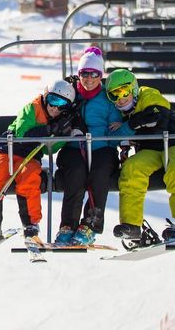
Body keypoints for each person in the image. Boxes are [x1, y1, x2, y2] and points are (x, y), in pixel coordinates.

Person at [0, 79, 77, 243]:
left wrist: (62, 136)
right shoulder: (32, 108)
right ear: (45, 96)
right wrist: (48, 130)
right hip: (8, 150)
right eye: (53, 100)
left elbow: (47, 150)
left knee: (29, 177)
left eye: (62, 105)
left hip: (30, 156)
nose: (55, 108)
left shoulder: (58, 121)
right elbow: (23, 134)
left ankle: (30, 224)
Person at [106, 69, 175, 243]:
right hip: (150, 150)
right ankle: (132, 226)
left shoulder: (146, 94)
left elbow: (157, 115)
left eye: (124, 91)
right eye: (114, 95)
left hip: (173, 142)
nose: (120, 98)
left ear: (133, 88)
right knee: (131, 169)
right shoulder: (121, 112)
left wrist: (130, 124)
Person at [54, 47, 130, 247]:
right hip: (73, 147)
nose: (89, 79)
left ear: (100, 75)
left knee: (100, 172)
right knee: (76, 172)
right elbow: (51, 109)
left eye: (94, 74)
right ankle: (67, 226)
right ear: (79, 75)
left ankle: (90, 224)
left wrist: (120, 133)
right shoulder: (70, 94)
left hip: (101, 148)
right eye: (84, 74)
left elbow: (115, 129)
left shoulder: (107, 98)